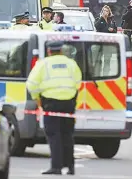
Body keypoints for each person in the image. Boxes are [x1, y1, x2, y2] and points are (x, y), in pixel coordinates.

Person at [26, 41, 82, 175]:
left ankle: (56, 167)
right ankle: (70, 167)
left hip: (50, 103)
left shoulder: (43, 64)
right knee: (67, 135)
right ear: (61, 51)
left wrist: (37, 99)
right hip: (68, 103)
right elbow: (78, 82)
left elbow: (31, 84)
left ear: (49, 51)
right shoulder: (71, 63)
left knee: (54, 135)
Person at [94, 5, 117, 75]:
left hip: (108, 44)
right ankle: (97, 74)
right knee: (98, 60)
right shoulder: (98, 19)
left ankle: (105, 75)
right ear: (102, 11)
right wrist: (102, 18)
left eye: (107, 11)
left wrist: (112, 30)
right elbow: (96, 26)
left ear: (109, 12)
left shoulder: (112, 21)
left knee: (107, 61)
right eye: (104, 11)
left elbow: (115, 31)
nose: (105, 12)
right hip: (100, 43)